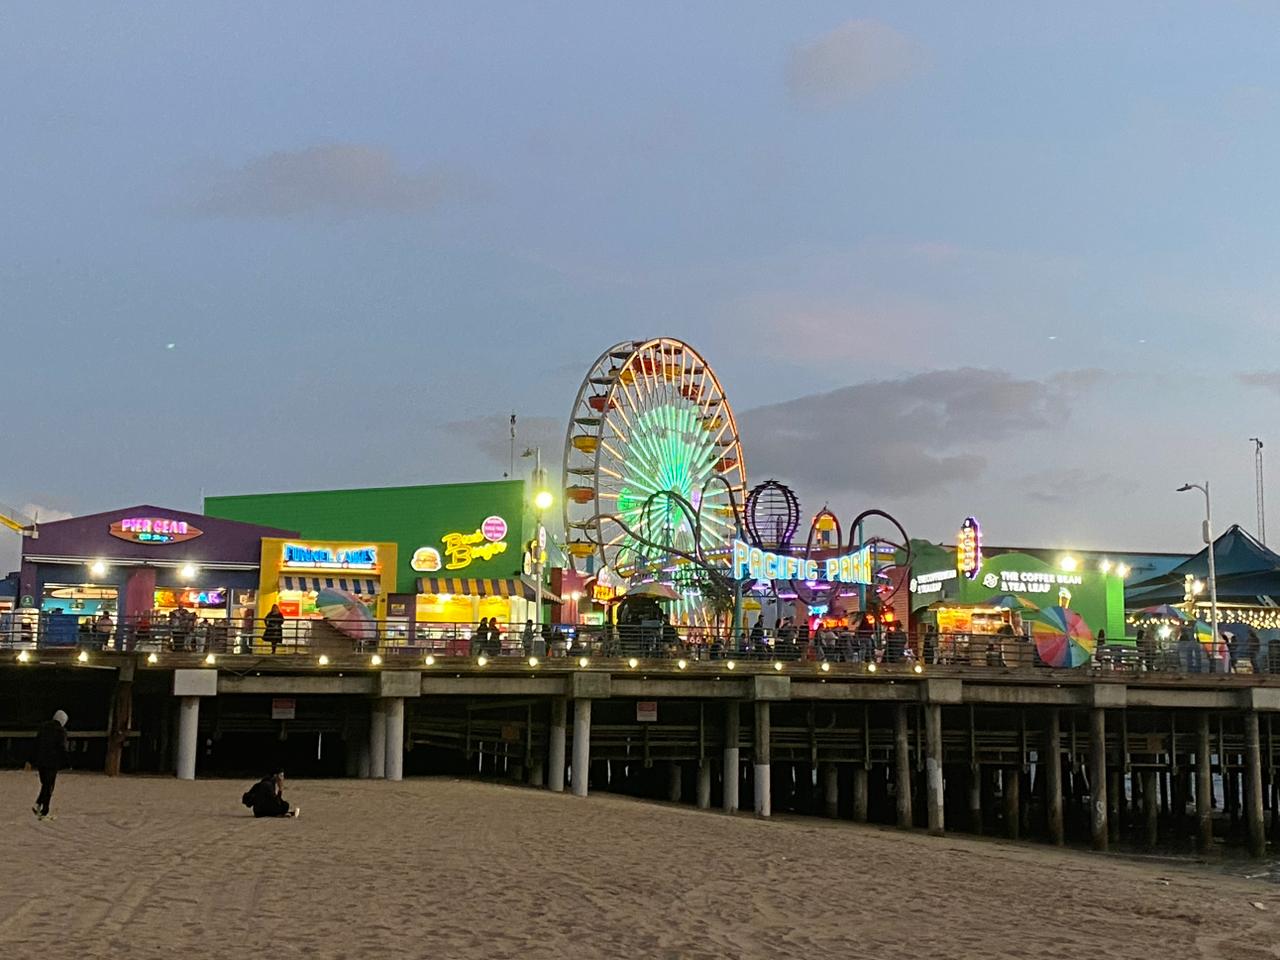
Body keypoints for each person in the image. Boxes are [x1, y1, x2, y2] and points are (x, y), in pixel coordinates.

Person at [32, 710, 69, 819]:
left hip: (41, 761)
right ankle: (44, 809)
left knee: (45, 784)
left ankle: (39, 805)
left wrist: (31, 759)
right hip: (52, 762)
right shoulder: (61, 731)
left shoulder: (43, 728)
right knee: (49, 786)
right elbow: (62, 747)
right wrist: (67, 761)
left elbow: (36, 743)